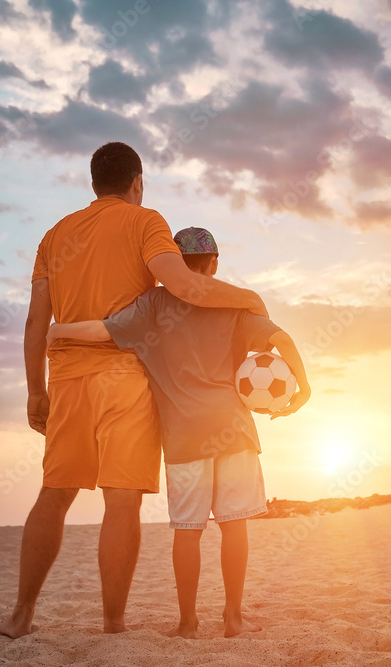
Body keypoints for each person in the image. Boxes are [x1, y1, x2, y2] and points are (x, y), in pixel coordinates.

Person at [0, 143, 268, 639]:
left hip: (67, 375)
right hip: (124, 374)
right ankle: (113, 623)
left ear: (94, 183)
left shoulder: (54, 236)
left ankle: (20, 614)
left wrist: (35, 391)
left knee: (54, 494)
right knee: (121, 500)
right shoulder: (146, 223)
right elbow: (182, 286)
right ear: (136, 183)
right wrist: (248, 298)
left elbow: (38, 319)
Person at [46, 226, 311, 638]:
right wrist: (304, 384)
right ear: (214, 264)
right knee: (234, 525)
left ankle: (187, 624)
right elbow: (281, 338)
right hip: (234, 430)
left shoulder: (153, 304)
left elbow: (102, 329)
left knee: (188, 532)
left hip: (184, 439)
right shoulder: (234, 306)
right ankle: (234, 619)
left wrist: (58, 330)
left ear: (172, 265)